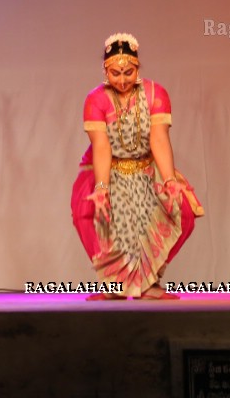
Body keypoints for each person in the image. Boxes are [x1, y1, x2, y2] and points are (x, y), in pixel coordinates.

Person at [70, 34, 202, 299]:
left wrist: (168, 180)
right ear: (105, 70)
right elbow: (102, 146)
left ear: (138, 68)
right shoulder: (96, 99)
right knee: (89, 211)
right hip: (110, 169)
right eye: (115, 73)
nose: (121, 80)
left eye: (128, 72)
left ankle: (150, 281)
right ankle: (114, 285)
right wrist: (102, 188)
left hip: (147, 169)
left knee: (182, 210)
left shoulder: (155, 94)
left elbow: (159, 138)